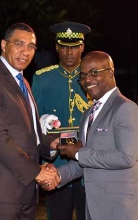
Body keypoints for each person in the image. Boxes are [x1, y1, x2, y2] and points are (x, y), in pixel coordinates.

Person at [42, 51, 138, 219]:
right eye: (82, 76)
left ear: (111, 73)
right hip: (95, 209)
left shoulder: (126, 108)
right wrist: (57, 176)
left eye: (94, 72)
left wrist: (77, 153)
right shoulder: (87, 114)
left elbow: (125, 157)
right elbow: (83, 162)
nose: (87, 80)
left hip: (124, 209)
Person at [0, 22, 61, 220]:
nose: (25, 52)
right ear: (3, 45)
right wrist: (37, 171)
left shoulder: (23, 81)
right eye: (19, 44)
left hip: (27, 190)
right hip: (1, 190)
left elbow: (29, 131)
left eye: (31, 47)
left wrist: (51, 143)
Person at [31, 21, 91, 220]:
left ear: (82, 46)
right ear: (57, 47)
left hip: (89, 159)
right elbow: (35, 124)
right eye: (64, 46)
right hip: (55, 161)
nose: (69, 52)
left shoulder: (93, 77)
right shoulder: (42, 79)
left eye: (74, 47)